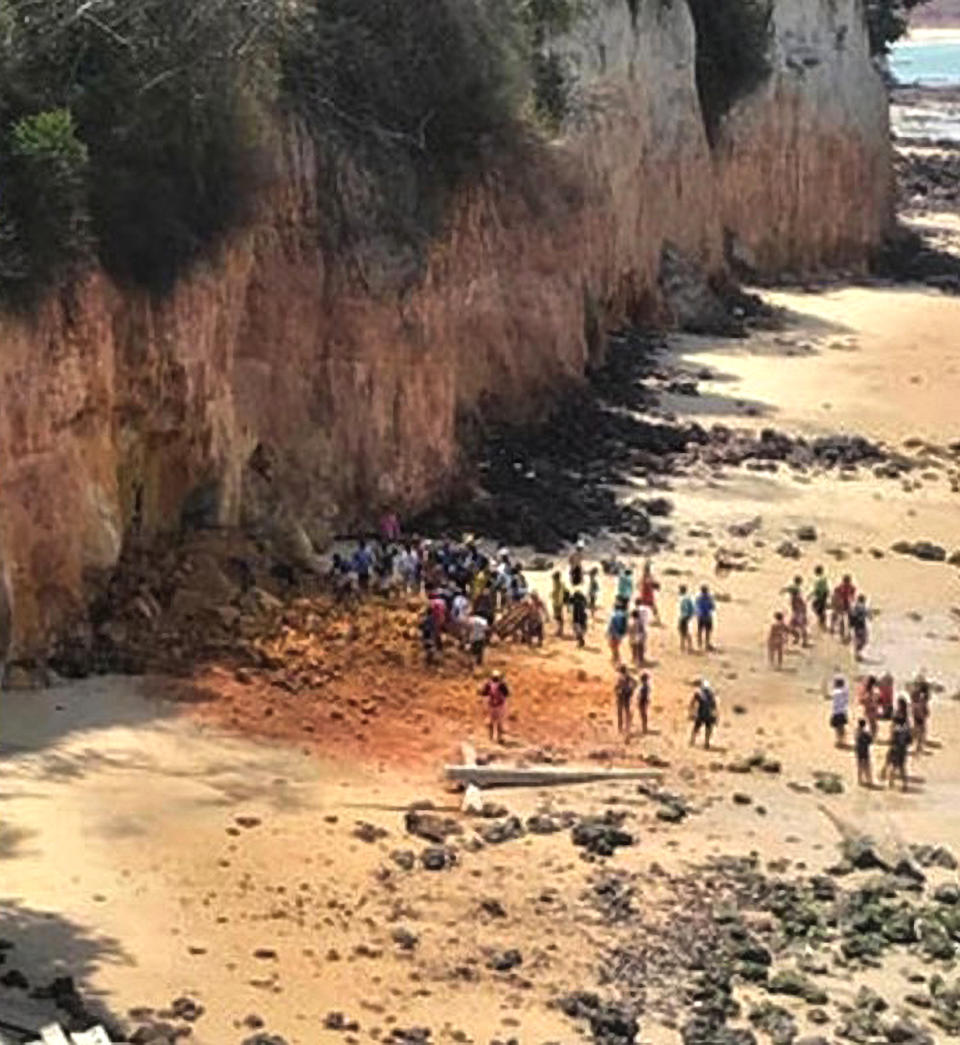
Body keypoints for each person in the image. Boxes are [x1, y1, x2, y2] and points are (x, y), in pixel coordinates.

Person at [885, 709, 912, 792]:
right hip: (903, 750)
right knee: (902, 768)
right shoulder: (906, 729)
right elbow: (909, 741)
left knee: (893, 766)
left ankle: (891, 783)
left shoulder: (895, 729)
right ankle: (904, 784)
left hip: (895, 749)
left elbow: (892, 740)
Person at [480, 670, 510, 744]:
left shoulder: (489, 684)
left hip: (494, 705)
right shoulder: (500, 684)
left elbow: (483, 693)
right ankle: (497, 738)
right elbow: (507, 694)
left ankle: (493, 737)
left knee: (494, 721)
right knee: (497, 721)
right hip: (498, 705)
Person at [689, 680, 717, 749]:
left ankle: (695, 741)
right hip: (706, 715)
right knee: (705, 729)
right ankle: (704, 742)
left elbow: (692, 703)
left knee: (698, 728)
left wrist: (691, 710)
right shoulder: (709, 695)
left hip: (702, 714)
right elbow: (714, 706)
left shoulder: (701, 694)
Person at [784, 575, 809, 647]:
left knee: (799, 627)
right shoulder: (797, 593)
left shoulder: (796, 596)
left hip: (798, 613)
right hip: (797, 612)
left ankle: (802, 640)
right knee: (793, 627)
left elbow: (789, 589)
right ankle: (800, 639)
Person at [910, 676, 931, 755]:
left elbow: (914, 704)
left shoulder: (916, 693)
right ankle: (919, 748)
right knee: (921, 732)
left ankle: (918, 748)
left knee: (919, 731)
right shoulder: (922, 696)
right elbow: (923, 706)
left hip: (917, 714)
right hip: (920, 715)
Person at [615, 665, 635, 738]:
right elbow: (634, 683)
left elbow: (615, 688)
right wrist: (630, 690)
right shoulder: (628, 677)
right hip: (625, 698)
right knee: (626, 713)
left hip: (621, 698)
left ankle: (621, 729)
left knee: (620, 713)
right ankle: (626, 729)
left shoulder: (619, 678)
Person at [830, 674, 850, 748]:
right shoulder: (844, 692)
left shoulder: (836, 692)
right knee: (841, 727)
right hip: (842, 711)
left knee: (837, 728)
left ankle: (839, 741)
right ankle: (842, 741)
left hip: (836, 712)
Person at [695, 584, 716, 652]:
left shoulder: (698, 597)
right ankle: (706, 644)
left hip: (700, 616)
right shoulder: (710, 598)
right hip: (707, 616)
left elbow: (696, 606)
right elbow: (712, 607)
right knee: (708, 631)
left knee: (700, 630)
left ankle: (699, 644)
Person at [640, 560, 661, 625]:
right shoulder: (647, 575)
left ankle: (656, 620)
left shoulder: (646, 575)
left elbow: (644, 583)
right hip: (647, 593)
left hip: (646, 593)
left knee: (649, 607)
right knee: (652, 607)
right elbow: (647, 582)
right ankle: (657, 620)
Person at [849, 594, 869, 661]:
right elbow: (867, 614)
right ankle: (857, 655)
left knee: (858, 639)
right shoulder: (862, 606)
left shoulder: (854, 606)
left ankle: (856, 654)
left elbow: (851, 614)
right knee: (863, 640)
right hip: (861, 625)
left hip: (856, 626)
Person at [855, 718, 873, 787]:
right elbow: (870, 741)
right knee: (866, 765)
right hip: (865, 750)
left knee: (860, 765)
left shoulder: (857, 731)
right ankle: (868, 779)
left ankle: (860, 779)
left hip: (859, 749)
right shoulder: (866, 733)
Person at [810, 566, 830, 631]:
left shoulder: (818, 580)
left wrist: (810, 595)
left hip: (820, 596)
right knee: (822, 608)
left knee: (815, 607)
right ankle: (822, 620)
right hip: (824, 595)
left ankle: (821, 621)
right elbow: (826, 588)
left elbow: (816, 590)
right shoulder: (825, 578)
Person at [678, 585, 695, 654]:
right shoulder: (688, 598)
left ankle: (683, 647)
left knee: (683, 632)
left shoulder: (683, 599)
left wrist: (685, 616)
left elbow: (686, 609)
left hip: (684, 617)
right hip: (687, 617)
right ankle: (688, 647)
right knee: (686, 632)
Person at [551, 571, 567, 637]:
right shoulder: (561, 584)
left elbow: (556, 593)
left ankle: (559, 631)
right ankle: (560, 630)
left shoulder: (557, 584)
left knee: (558, 617)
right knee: (558, 617)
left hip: (557, 603)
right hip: (559, 602)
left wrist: (551, 595)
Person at [637, 671, 651, 736]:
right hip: (643, 701)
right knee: (644, 715)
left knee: (643, 715)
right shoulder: (646, 686)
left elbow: (640, 695)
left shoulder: (642, 686)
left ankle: (644, 728)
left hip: (642, 701)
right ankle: (644, 728)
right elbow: (646, 695)